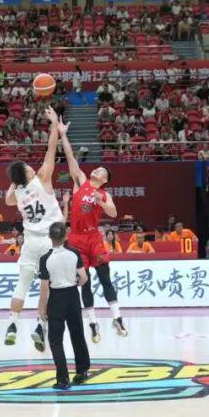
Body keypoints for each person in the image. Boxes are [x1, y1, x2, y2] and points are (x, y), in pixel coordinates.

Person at [57, 117, 125, 342]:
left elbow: (113, 213)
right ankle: (93, 324)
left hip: (94, 238)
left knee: (105, 278)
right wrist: (63, 134)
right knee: (84, 282)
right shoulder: (80, 182)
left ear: (105, 180)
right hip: (76, 239)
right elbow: (70, 157)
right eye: (96, 168)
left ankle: (117, 318)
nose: (96, 169)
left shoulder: (104, 194)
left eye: (101, 170)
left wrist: (101, 202)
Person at [3, 106, 64, 350]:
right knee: (46, 286)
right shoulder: (42, 178)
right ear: (28, 172)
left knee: (22, 285)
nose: (31, 166)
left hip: (30, 243)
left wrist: (15, 180)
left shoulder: (16, 194)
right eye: (27, 166)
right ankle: (40, 325)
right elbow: (51, 149)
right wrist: (54, 124)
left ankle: (12, 324)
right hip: (49, 242)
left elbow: (7, 198)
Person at [38, 222, 90, 390]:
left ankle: (63, 379)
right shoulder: (74, 253)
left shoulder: (45, 258)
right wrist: (75, 284)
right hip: (73, 296)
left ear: (49, 237)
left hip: (56, 298)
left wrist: (41, 308)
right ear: (66, 236)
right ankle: (82, 371)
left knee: (55, 340)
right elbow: (84, 278)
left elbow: (44, 288)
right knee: (77, 334)